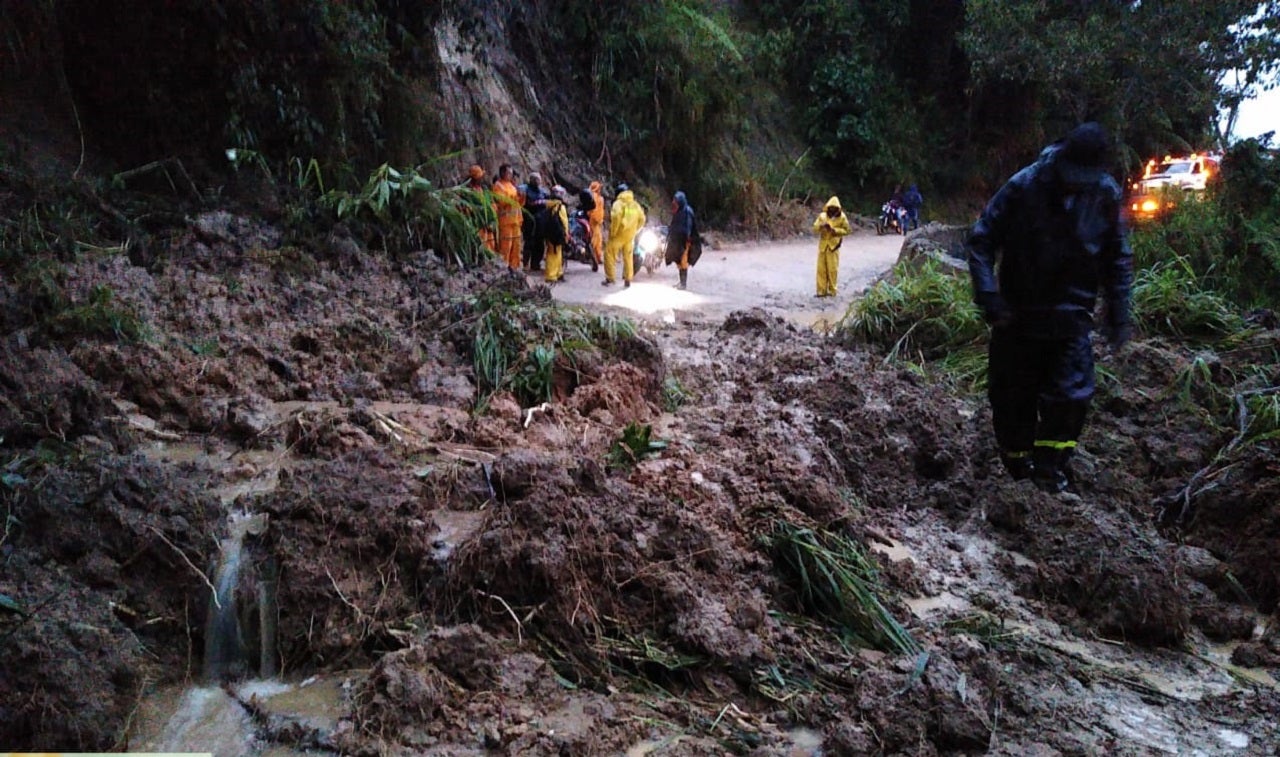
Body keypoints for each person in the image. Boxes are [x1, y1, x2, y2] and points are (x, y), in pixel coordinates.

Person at [967, 121, 1133, 493]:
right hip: (1018, 316)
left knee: (1071, 399)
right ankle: (1015, 467)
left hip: (1071, 318)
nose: (1075, 184)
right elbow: (981, 240)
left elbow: (1117, 258)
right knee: (1011, 398)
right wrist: (989, 296)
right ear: (1061, 160)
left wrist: (1119, 313)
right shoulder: (1025, 186)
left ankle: (1049, 469)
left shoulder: (1104, 195)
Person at [603, 183, 645, 288]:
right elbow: (642, 219)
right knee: (628, 257)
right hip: (630, 236)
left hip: (618, 235)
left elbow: (616, 217)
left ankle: (610, 278)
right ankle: (628, 279)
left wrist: (613, 231)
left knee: (609, 254)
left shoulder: (618, 203)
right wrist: (635, 230)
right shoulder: (635, 204)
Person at [812, 196, 852, 297]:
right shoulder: (822, 216)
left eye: (835, 208)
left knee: (832, 269)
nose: (833, 210)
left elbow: (847, 230)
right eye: (831, 207)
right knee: (821, 269)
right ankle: (821, 291)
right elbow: (815, 228)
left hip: (834, 246)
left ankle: (832, 290)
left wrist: (835, 230)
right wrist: (821, 226)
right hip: (823, 246)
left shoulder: (842, 217)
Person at [664, 191, 700, 290]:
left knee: (683, 261)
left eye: (676, 201)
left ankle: (683, 284)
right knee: (678, 260)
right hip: (678, 239)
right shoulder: (679, 211)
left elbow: (687, 228)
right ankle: (681, 282)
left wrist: (686, 238)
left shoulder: (686, 212)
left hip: (685, 241)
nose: (674, 203)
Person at [492, 165, 523, 271]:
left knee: (516, 247)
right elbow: (501, 201)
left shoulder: (511, 185)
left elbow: (518, 203)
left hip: (516, 221)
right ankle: (504, 268)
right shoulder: (498, 186)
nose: (510, 175)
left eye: (511, 173)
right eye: (509, 173)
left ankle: (515, 267)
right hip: (505, 221)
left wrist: (521, 197)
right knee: (506, 246)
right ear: (503, 173)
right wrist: (513, 197)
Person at [463, 165, 498, 254]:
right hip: (476, 222)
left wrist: (492, 210)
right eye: (479, 177)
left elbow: (491, 201)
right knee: (481, 243)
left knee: (491, 243)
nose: (481, 178)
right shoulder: (467, 190)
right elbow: (465, 207)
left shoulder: (484, 188)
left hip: (487, 222)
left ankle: (491, 261)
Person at [542, 185, 571, 283]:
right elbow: (564, 222)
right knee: (554, 254)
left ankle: (558, 273)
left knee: (556, 253)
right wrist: (566, 234)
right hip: (557, 234)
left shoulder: (549, 205)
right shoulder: (560, 207)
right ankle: (551, 276)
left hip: (550, 233)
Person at [522, 172, 549, 272]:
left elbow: (547, 201)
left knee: (539, 243)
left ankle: (536, 263)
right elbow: (526, 203)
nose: (538, 181)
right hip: (529, 219)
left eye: (539, 179)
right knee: (529, 242)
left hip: (540, 220)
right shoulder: (526, 190)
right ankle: (525, 263)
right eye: (536, 179)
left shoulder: (542, 191)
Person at [588, 180, 606, 267]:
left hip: (596, 221)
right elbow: (594, 210)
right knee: (596, 240)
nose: (600, 189)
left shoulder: (595, 196)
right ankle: (594, 257)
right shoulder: (594, 196)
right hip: (595, 221)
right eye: (599, 188)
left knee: (598, 240)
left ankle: (597, 257)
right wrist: (598, 220)